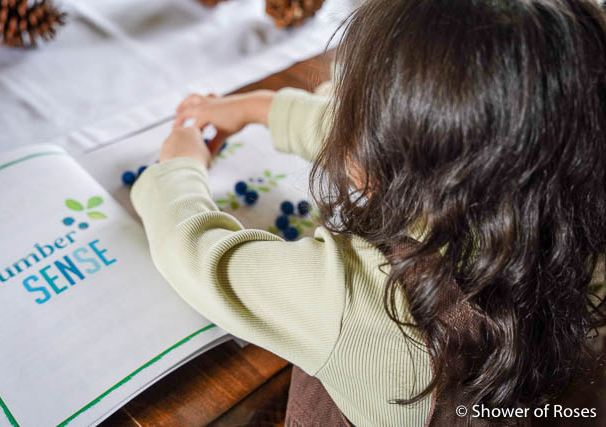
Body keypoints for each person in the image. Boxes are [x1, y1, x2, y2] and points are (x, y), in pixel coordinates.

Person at [131, 0, 606, 425]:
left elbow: (198, 255)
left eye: (352, 108)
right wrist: (263, 108)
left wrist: (178, 167)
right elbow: (445, 142)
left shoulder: (354, 297)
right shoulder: (564, 194)